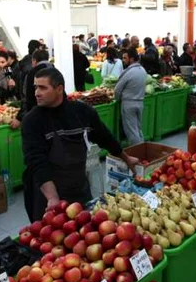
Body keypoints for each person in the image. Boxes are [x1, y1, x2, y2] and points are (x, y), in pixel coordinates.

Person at [22, 68, 138, 221]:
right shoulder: (32, 120)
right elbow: (36, 161)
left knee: (83, 230)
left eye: (43, 87)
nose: (37, 92)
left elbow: (105, 137)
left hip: (78, 187)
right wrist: (53, 198)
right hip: (47, 194)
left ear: (59, 89)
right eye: (36, 87)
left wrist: (126, 158)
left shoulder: (82, 112)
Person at [114, 48, 147, 145]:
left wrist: (117, 98)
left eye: (125, 58)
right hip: (140, 103)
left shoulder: (128, 72)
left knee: (131, 132)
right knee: (138, 129)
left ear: (131, 59)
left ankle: (137, 153)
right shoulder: (142, 70)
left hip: (128, 104)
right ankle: (142, 148)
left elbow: (117, 90)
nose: (123, 60)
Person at [17, 49, 53, 125]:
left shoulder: (32, 73)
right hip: (55, 113)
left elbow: (27, 97)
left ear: (34, 60)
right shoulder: (55, 70)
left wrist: (19, 117)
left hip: (38, 114)